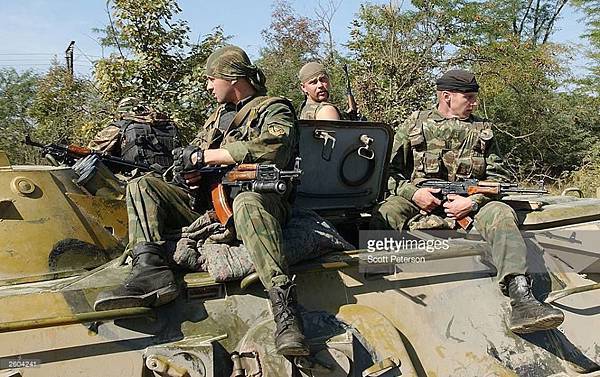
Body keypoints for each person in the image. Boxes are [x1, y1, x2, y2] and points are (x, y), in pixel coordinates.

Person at [94, 45, 308, 356]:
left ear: (231, 77)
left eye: (211, 79)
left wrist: (206, 156)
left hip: (260, 199)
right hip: (209, 199)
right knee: (142, 186)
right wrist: (187, 173)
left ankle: (286, 313)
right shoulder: (216, 118)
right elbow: (191, 158)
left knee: (248, 203)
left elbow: (272, 147)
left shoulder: (273, 108)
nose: (208, 86)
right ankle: (150, 271)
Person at [371, 69, 564, 334]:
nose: (474, 103)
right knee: (386, 211)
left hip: (470, 202)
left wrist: (472, 202)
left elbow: (497, 176)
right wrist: (412, 194)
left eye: (474, 98)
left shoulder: (482, 130)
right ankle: (378, 286)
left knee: (502, 213)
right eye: (469, 97)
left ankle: (521, 298)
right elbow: (386, 173)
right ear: (446, 96)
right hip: (420, 198)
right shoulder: (414, 125)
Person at [88, 97, 180, 172]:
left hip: (136, 179)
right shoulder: (168, 124)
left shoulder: (120, 127)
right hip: (172, 178)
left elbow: (91, 152)